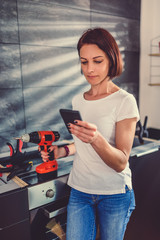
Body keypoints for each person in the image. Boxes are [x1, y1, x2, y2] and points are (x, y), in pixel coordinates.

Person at [41, 28, 140, 240]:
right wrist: (62, 151)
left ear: (111, 60)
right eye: (84, 62)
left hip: (114, 193)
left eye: (97, 61)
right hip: (80, 190)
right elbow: (81, 143)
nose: (90, 69)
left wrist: (96, 139)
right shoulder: (78, 100)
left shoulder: (124, 101)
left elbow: (121, 162)